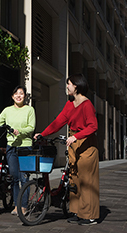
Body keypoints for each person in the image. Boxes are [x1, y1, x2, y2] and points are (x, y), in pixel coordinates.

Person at [34, 74, 99, 226]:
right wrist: (42, 133)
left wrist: (76, 137)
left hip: (86, 145)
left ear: (77, 86)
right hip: (74, 143)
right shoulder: (70, 104)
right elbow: (58, 122)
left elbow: (93, 126)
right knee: (74, 178)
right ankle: (77, 212)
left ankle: (89, 216)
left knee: (86, 181)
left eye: (69, 84)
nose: (67, 86)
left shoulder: (87, 104)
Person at [0, 85, 35, 216]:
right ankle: (16, 205)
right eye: (16, 94)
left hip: (25, 146)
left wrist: (21, 131)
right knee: (14, 177)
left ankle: (24, 206)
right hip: (11, 147)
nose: (19, 96)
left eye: (21, 93)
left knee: (24, 177)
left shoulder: (29, 110)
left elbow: (31, 127)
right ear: (12, 96)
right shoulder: (7, 110)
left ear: (25, 96)